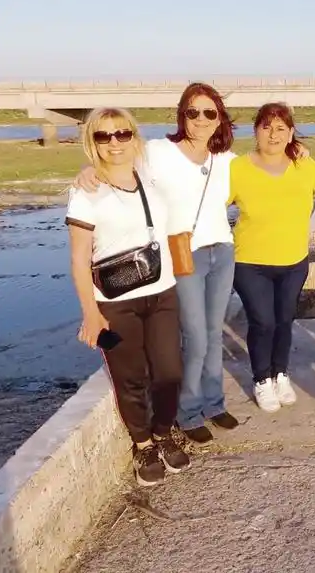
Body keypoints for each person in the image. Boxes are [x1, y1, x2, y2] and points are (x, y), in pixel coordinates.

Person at [73, 83, 240, 447]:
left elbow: (267, 169)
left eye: (209, 113)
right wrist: (88, 170)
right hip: (181, 254)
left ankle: (213, 403)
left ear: (219, 119)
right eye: (192, 112)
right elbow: (117, 159)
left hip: (222, 251)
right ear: (182, 116)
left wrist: (299, 150)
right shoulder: (159, 152)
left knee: (213, 332)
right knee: (194, 336)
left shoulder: (226, 159)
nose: (200, 119)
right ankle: (189, 411)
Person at [66, 107, 190, 487]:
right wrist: (91, 313)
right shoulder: (85, 191)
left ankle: (164, 431)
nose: (114, 142)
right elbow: (79, 259)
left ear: (134, 137)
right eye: (103, 136)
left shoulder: (149, 174)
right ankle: (143, 444)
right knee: (129, 376)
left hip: (162, 292)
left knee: (170, 371)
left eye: (122, 133)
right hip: (113, 302)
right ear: (92, 142)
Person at [229, 102, 315, 412]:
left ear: (291, 133)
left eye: (281, 128)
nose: (273, 134)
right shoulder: (237, 168)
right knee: (262, 321)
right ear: (255, 131)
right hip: (249, 263)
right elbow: (212, 204)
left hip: (294, 262)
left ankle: (280, 373)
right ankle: (262, 379)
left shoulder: (303, 165)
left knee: (284, 320)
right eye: (266, 127)